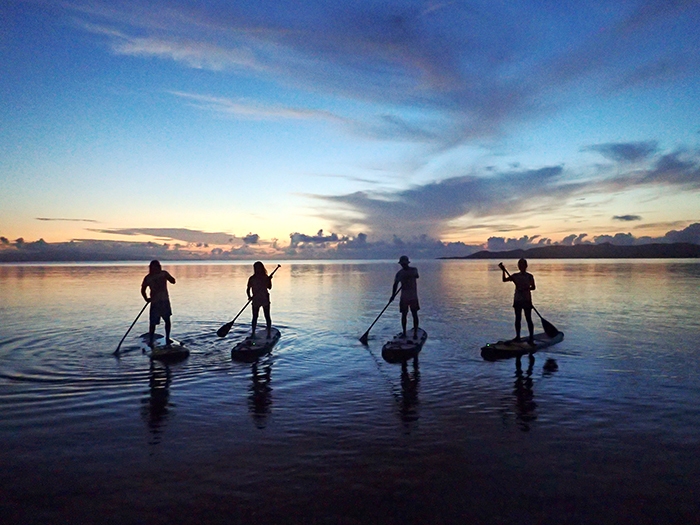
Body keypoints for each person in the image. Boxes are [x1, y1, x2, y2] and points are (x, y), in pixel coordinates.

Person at [141, 260, 176, 348]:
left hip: (164, 301)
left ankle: (167, 338)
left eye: (156, 266)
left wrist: (171, 279)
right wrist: (146, 298)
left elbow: (173, 281)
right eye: (153, 267)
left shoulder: (164, 274)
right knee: (153, 323)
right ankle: (151, 340)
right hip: (155, 302)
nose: (154, 268)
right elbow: (143, 289)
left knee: (167, 320)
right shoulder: (148, 278)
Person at [500, 258, 536, 345]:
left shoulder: (529, 276)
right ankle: (518, 337)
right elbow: (504, 280)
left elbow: (533, 287)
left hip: (527, 300)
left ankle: (531, 337)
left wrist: (525, 288)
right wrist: (503, 270)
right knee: (518, 319)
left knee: (528, 319)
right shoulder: (515, 276)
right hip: (518, 300)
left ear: (526, 266)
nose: (521, 267)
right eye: (520, 265)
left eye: (523, 265)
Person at [392, 255, 420, 339]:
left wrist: (409, 276)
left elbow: (417, 276)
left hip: (413, 296)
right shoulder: (399, 274)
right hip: (404, 297)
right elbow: (395, 285)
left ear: (407, 263)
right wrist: (392, 295)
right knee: (404, 315)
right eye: (402, 264)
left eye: (404, 264)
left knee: (414, 314)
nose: (403, 265)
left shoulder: (413, 270)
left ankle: (415, 333)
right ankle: (404, 332)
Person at [247, 261, 273, 339]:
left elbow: (269, 287)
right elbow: (248, 289)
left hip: (264, 298)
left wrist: (269, 280)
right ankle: (253, 333)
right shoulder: (252, 278)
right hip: (256, 299)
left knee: (267, 316)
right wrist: (249, 296)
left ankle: (268, 333)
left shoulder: (265, 277)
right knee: (255, 317)